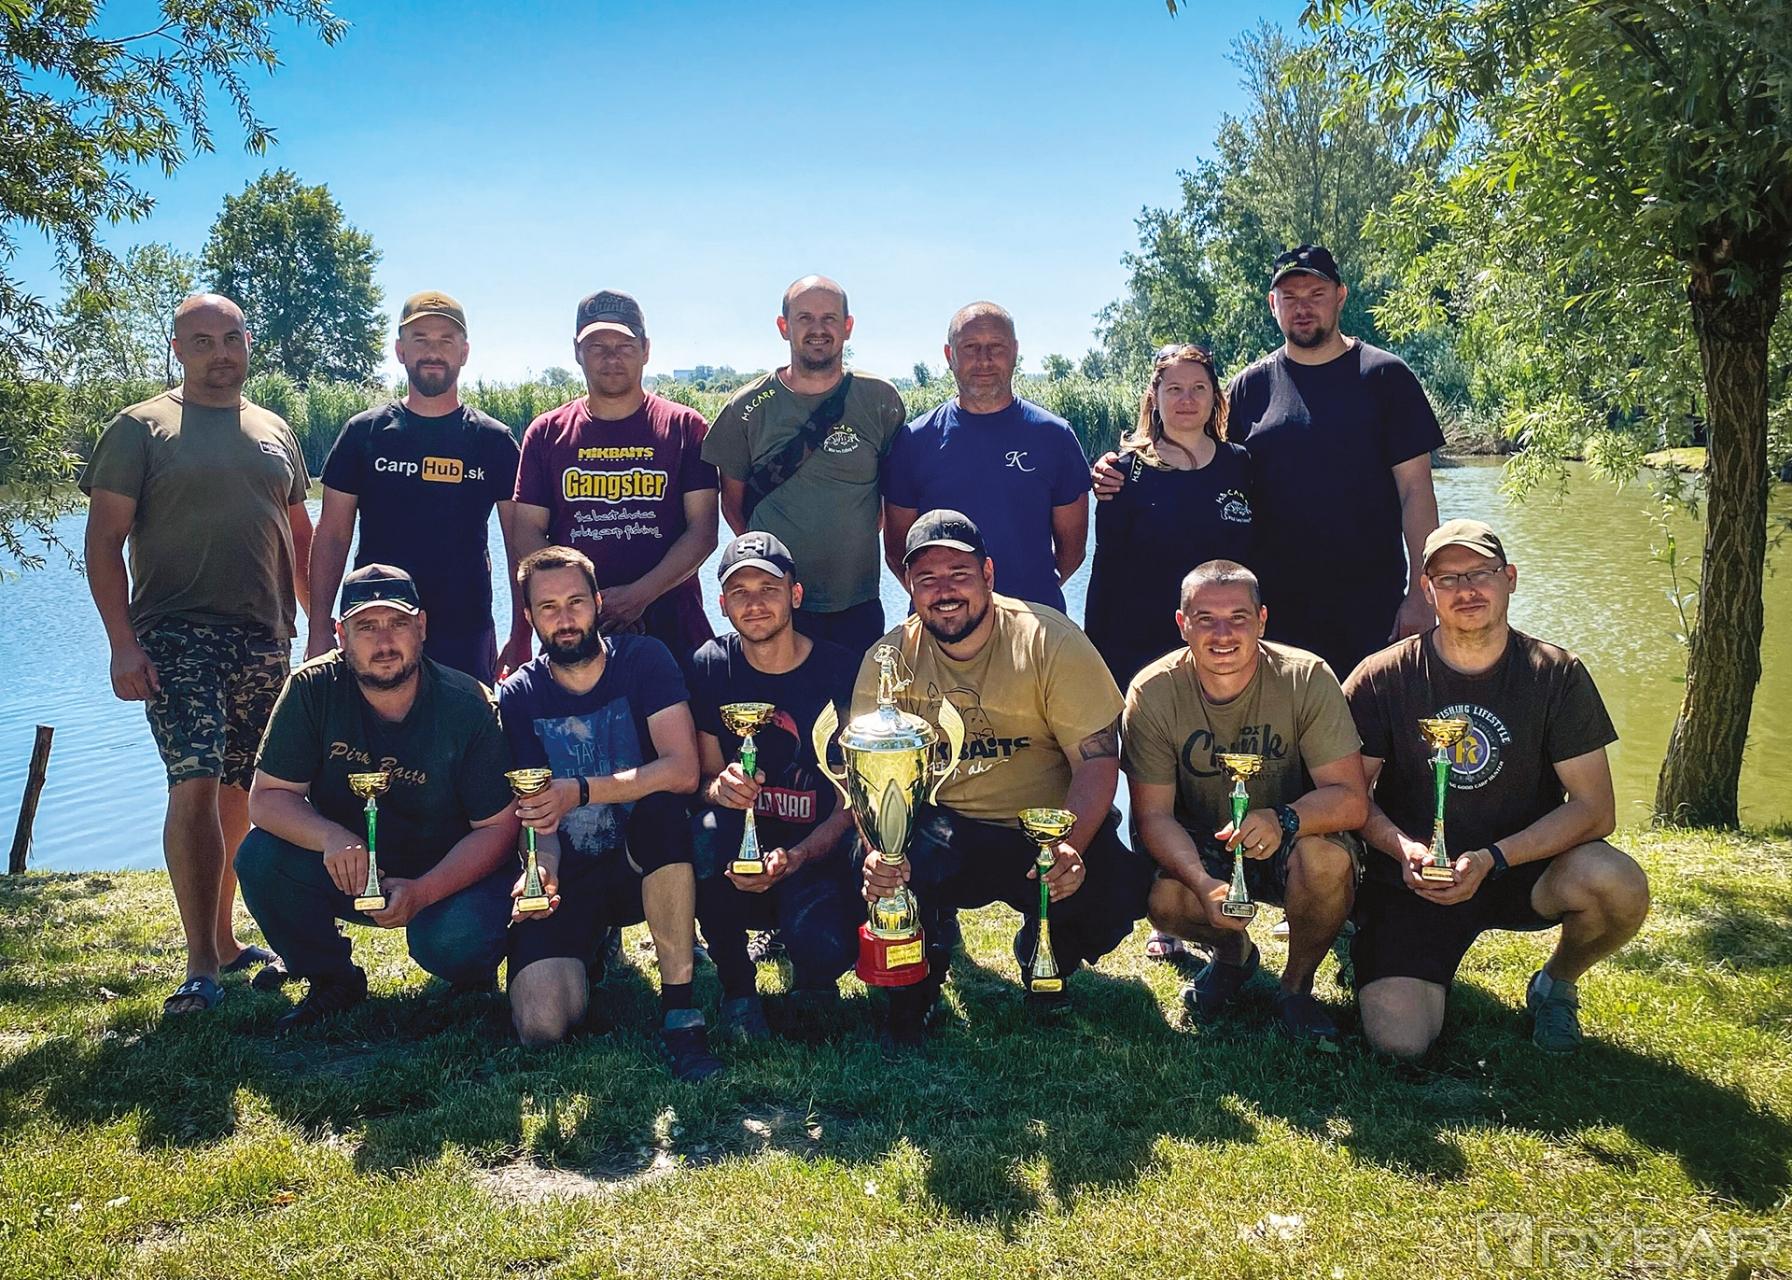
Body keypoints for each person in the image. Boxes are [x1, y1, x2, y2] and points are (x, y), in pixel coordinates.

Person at [81, 292, 313, 1016]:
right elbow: (102, 543)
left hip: (265, 635)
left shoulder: (275, 430)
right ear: (178, 349)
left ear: (248, 344)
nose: (220, 353)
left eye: (231, 338)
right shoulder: (140, 428)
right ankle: (198, 966)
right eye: (203, 341)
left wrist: (321, 626)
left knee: (243, 787)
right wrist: (122, 644)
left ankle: (225, 940)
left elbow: (300, 535)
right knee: (195, 780)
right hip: (177, 635)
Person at [1343, 520, 1650, 1056]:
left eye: (1480, 574)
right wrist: (1404, 849)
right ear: (1427, 590)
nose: (1466, 590)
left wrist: (1493, 859)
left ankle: (1555, 984)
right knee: (1399, 1046)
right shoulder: (1382, 675)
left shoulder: (1555, 674)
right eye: (1448, 578)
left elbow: (1595, 809)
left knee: (1617, 884)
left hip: (1520, 869)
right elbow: (1350, 795)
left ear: (1509, 578)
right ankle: (1371, 948)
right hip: (1415, 882)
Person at [858, 511, 1151, 1046]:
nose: (944, 591)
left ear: (988, 574)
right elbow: (869, 781)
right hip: (947, 830)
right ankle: (916, 980)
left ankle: (1047, 951)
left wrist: (1069, 848)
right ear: (909, 586)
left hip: (1041, 830)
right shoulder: (888, 659)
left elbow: (1096, 760)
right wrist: (879, 853)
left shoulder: (1048, 638)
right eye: (927, 578)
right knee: (889, 862)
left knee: (1115, 890)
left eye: (959, 574)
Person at [1094, 245, 1442, 681]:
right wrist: (1121, 466)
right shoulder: (1250, 387)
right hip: (1271, 617)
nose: (1302, 307)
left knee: (1369, 724)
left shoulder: (1385, 377)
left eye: (1316, 294)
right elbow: (1201, 465)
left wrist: (1421, 594)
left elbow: (1416, 491)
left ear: (1341, 296)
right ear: (1272, 304)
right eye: (1290, 297)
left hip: (1372, 606)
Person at [235, 564, 519, 1032]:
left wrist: (424, 892)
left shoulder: (468, 703)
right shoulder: (310, 689)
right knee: (260, 858)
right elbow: (267, 798)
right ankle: (332, 979)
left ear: (421, 627)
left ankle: (471, 975)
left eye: (398, 623)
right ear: (341, 635)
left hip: (450, 874)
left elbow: (499, 829)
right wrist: (331, 837)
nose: (384, 642)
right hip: (351, 869)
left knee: (451, 942)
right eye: (367, 627)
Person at [497, 546, 722, 1081]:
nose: (565, 618)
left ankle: (680, 1010)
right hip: (572, 871)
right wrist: (542, 870)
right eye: (548, 607)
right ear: (528, 617)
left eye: (576, 602)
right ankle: (589, 950)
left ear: (598, 603)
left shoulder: (645, 660)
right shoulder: (520, 694)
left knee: (663, 812)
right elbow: (536, 812)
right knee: (541, 1025)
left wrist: (579, 791)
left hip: (641, 861)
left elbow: (683, 770)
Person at [1121, 560, 1368, 1040]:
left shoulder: (1307, 676)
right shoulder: (1152, 691)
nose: (1223, 634)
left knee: (1326, 863)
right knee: (1163, 898)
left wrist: (1284, 819)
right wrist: (1202, 883)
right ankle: (1233, 956)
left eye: (1238, 617)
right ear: (1182, 623)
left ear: (1262, 620)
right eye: (1206, 619)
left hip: (1291, 837)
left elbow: (1351, 799)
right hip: (1206, 843)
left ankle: (1296, 987)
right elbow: (1152, 815)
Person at [688, 533, 863, 1040]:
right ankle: (738, 990)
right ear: (722, 604)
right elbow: (702, 779)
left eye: (768, 588)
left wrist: (801, 855)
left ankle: (813, 969)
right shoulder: (710, 665)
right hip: (738, 863)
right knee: (702, 832)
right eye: (739, 592)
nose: (755, 603)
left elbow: (856, 799)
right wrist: (720, 789)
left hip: (816, 855)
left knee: (823, 946)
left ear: (796, 595)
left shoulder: (841, 669)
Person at [307, 291, 528, 684]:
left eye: (446, 340)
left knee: (469, 722)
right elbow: (332, 536)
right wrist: (319, 627)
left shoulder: (493, 440)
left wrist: (522, 632)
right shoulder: (363, 433)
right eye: (420, 339)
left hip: (464, 629)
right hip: (376, 627)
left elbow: (518, 547)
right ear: (400, 350)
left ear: (464, 352)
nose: (433, 352)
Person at [704, 275, 909, 652]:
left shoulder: (880, 399)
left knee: (858, 692)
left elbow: (892, 498)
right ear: (784, 327)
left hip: (857, 603)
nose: (818, 329)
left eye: (830, 318)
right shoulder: (746, 407)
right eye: (805, 318)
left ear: (848, 327)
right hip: (776, 610)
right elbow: (732, 507)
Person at [512, 290, 719, 663]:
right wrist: (582, 601)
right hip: (576, 632)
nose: (611, 358)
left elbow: (703, 531)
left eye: (624, 345)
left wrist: (639, 595)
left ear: (646, 349)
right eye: (597, 347)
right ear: (577, 352)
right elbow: (526, 531)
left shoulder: (685, 427)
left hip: (674, 628)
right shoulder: (545, 432)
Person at [882, 303, 1091, 612]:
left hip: (1035, 621)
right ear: (949, 354)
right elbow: (897, 551)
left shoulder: (1054, 436)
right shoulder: (914, 441)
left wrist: (1027, 600)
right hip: (943, 626)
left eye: (996, 346)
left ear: (1015, 351)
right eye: (970, 347)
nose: (984, 360)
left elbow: (1072, 551)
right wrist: (944, 605)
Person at [1085, 344, 1254, 691]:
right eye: (1174, 389)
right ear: (1155, 396)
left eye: (1198, 388)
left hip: (1224, 646)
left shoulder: (1240, 464)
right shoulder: (1122, 473)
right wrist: (1096, 662)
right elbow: (1105, 574)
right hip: (1142, 654)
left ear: (1214, 396)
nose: (1186, 399)